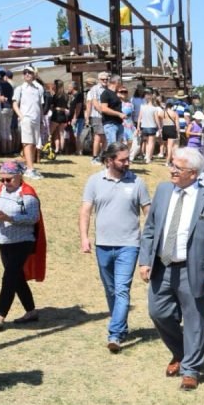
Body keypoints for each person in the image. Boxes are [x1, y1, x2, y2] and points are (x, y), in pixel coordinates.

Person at [137, 147, 204, 390]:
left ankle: (191, 370)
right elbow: (150, 228)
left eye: (178, 167)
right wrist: (145, 260)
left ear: (193, 173)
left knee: (195, 320)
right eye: (172, 165)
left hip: (193, 269)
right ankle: (181, 352)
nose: (172, 170)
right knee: (158, 313)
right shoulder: (163, 191)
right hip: (162, 266)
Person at [80, 143, 151, 353]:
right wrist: (84, 237)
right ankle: (121, 326)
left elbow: (149, 213)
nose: (127, 163)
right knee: (110, 290)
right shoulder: (94, 181)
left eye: (128, 158)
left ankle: (115, 334)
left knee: (122, 289)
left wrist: (149, 242)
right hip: (103, 245)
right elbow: (85, 211)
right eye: (122, 159)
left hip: (129, 245)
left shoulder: (137, 182)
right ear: (109, 160)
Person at [0, 161, 45, 330]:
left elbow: (32, 217)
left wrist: (9, 218)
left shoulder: (27, 195)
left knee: (9, 277)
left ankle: (0, 315)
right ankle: (31, 311)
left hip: (23, 241)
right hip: (4, 241)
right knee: (17, 277)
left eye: (8, 179)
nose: (5, 183)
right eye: (2, 179)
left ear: (19, 176)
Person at [12, 65, 46, 180]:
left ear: (34, 75)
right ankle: (30, 169)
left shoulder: (38, 89)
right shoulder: (20, 89)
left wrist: (41, 119)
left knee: (34, 143)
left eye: (29, 72)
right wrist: (21, 116)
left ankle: (29, 167)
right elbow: (15, 104)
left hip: (36, 119)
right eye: (25, 72)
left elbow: (40, 106)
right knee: (28, 143)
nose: (27, 74)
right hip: (26, 119)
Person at [85, 72, 108, 163]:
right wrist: (87, 117)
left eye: (106, 79)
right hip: (97, 116)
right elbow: (91, 104)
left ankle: (102, 156)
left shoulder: (108, 88)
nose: (105, 81)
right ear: (99, 80)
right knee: (98, 137)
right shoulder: (94, 89)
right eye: (103, 79)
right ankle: (95, 157)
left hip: (107, 116)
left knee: (105, 137)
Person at [47, 79, 69, 155]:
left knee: (50, 133)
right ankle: (60, 150)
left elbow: (52, 106)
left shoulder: (56, 96)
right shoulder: (66, 95)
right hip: (63, 116)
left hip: (56, 115)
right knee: (61, 134)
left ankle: (49, 148)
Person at [159, 101, 180, 165]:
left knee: (166, 145)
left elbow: (158, 117)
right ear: (172, 106)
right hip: (172, 128)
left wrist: (160, 127)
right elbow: (177, 124)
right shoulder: (174, 113)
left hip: (165, 128)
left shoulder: (162, 113)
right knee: (170, 146)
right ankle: (168, 161)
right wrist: (178, 133)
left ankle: (167, 159)